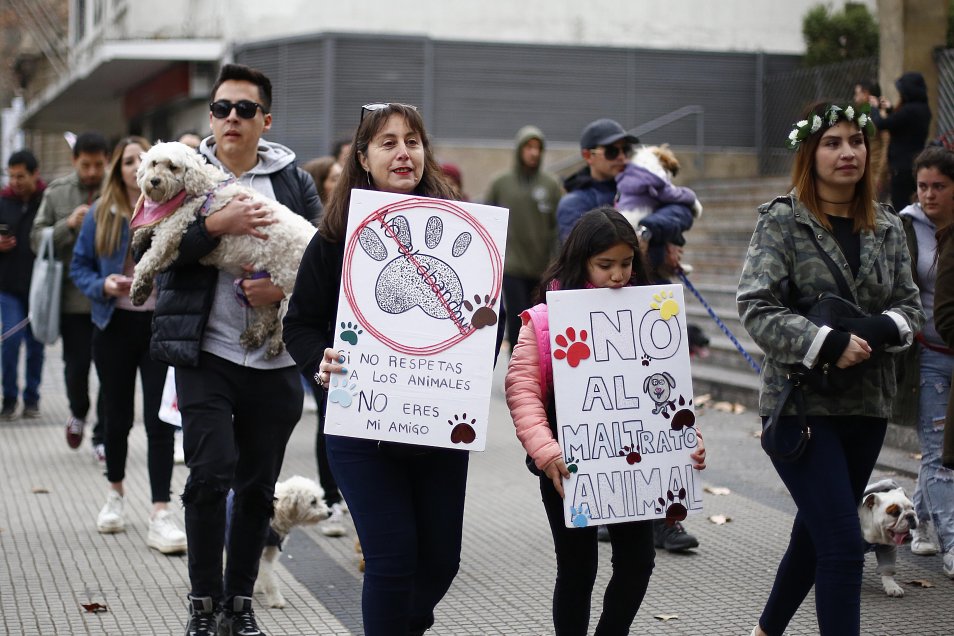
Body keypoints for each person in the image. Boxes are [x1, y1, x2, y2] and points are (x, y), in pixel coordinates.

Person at [284, 102, 485, 636]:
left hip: (440, 426)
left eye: (412, 141)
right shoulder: (334, 238)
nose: (403, 153)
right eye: (388, 142)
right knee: (392, 560)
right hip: (362, 428)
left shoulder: (464, 229)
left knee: (440, 562)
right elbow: (299, 325)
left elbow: (489, 322)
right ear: (363, 157)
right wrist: (319, 359)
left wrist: (471, 364)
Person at [738, 102, 923, 636]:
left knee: (814, 535)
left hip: (867, 408)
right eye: (832, 142)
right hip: (802, 409)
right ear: (809, 153)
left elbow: (910, 308)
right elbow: (756, 306)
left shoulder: (887, 225)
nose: (848, 152)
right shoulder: (783, 220)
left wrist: (877, 329)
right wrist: (827, 342)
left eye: (856, 141)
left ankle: (765, 632)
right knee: (843, 545)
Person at [151, 63, 320, 636]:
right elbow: (148, 248)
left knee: (255, 489)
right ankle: (203, 604)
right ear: (211, 116)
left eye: (245, 109)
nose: (231, 118)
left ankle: (239, 605)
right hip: (205, 352)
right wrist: (214, 225)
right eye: (222, 108)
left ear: (264, 120)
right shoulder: (179, 167)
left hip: (275, 359)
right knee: (209, 474)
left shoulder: (293, 181)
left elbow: (322, 262)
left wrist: (282, 290)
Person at [505, 207, 707, 634]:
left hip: (634, 461)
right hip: (565, 465)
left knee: (638, 562)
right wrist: (545, 451)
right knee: (578, 568)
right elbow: (522, 391)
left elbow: (666, 389)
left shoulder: (650, 313)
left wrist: (685, 439)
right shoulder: (544, 319)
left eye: (626, 263)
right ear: (581, 262)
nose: (617, 275)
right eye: (605, 265)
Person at [69, 136, 187, 553]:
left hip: (159, 326)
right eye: (130, 161)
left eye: (145, 159)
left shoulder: (174, 209)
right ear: (119, 169)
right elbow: (79, 267)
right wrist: (102, 284)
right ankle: (115, 494)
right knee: (116, 417)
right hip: (113, 324)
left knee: (160, 420)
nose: (138, 167)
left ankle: (160, 510)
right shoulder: (101, 212)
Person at [30, 131, 109, 459]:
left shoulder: (119, 189)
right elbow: (36, 238)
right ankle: (78, 411)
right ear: (75, 160)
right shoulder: (57, 192)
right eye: (86, 164)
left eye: (98, 165)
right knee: (76, 367)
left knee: (110, 371)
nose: (92, 172)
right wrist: (68, 225)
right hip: (72, 301)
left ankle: (103, 435)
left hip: (110, 298)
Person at [895, 146, 954, 579]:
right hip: (928, 355)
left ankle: (919, 521)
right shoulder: (906, 226)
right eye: (922, 186)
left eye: (940, 186)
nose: (929, 195)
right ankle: (952, 541)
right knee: (937, 453)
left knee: (941, 452)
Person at [484, 125, 562, 346]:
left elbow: (557, 227)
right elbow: (487, 220)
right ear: (520, 149)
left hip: (541, 268)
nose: (533, 153)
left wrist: (557, 263)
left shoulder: (550, 185)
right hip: (512, 266)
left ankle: (536, 362)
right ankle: (515, 362)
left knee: (539, 322)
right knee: (517, 320)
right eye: (529, 147)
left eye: (538, 148)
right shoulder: (501, 183)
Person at [0, 150, 46, 420]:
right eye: (12, 176)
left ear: (34, 174)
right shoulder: (3, 201)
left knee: (36, 345)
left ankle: (32, 399)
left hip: (39, 287)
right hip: (7, 287)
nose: (15, 182)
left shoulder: (46, 200)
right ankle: (9, 399)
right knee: (10, 339)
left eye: (21, 176)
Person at [556, 118, 637, 243]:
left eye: (626, 150)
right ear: (588, 156)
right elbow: (578, 251)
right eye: (612, 151)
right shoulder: (573, 204)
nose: (621, 157)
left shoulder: (638, 188)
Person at [870, 71, 931, 212]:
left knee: (901, 207)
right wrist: (890, 109)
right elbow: (901, 123)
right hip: (913, 163)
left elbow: (882, 124)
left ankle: (904, 227)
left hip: (901, 167)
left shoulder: (909, 110)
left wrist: (874, 108)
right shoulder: (923, 108)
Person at [853, 79, 889, 200]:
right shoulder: (863, 115)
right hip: (865, 171)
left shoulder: (880, 114)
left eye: (857, 93)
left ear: (866, 94)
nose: (855, 98)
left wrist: (881, 175)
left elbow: (886, 144)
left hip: (876, 171)